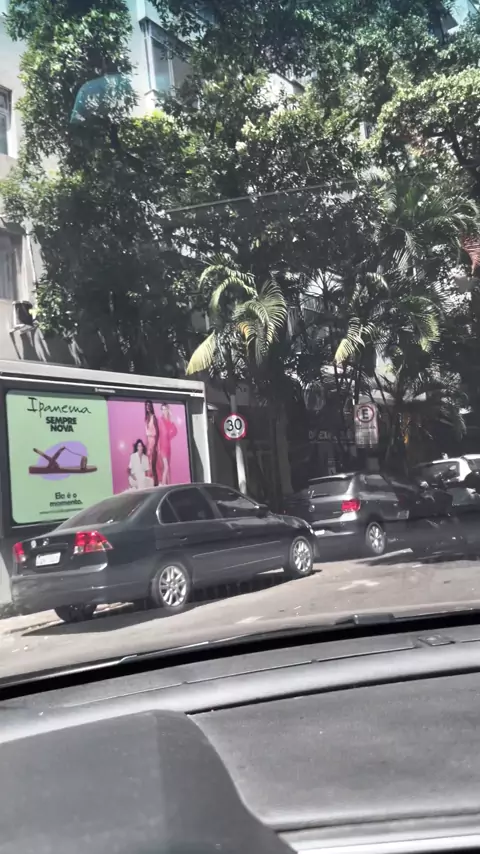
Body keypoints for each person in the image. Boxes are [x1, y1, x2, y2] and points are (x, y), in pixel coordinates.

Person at [158, 403, 178, 485]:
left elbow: (175, 431)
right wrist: (158, 447)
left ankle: (168, 484)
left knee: (168, 467)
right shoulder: (160, 420)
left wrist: (169, 436)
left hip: (168, 446)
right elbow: (159, 434)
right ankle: (163, 484)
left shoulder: (169, 421)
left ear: (168, 410)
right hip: (162, 446)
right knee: (166, 467)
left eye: (165, 409)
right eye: (162, 409)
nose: (164, 411)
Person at [144, 399, 159, 486]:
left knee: (153, 465)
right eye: (146, 405)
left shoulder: (154, 417)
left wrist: (155, 445)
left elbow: (157, 432)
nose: (148, 407)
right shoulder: (146, 418)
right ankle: (151, 484)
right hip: (148, 442)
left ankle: (156, 484)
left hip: (153, 441)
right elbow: (146, 434)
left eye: (149, 405)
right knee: (148, 465)